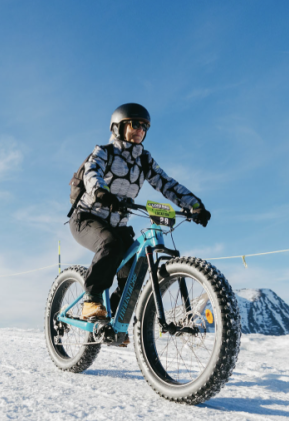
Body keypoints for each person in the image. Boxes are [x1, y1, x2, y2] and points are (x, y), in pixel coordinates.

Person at [70, 103, 211, 325]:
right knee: (111, 244)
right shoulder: (104, 152)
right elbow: (92, 172)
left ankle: (116, 319)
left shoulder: (144, 160)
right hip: (87, 217)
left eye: (145, 127)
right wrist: (101, 192)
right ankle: (92, 299)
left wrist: (195, 205)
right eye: (135, 124)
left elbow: (167, 184)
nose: (140, 130)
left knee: (136, 266)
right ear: (118, 127)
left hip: (117, 224)